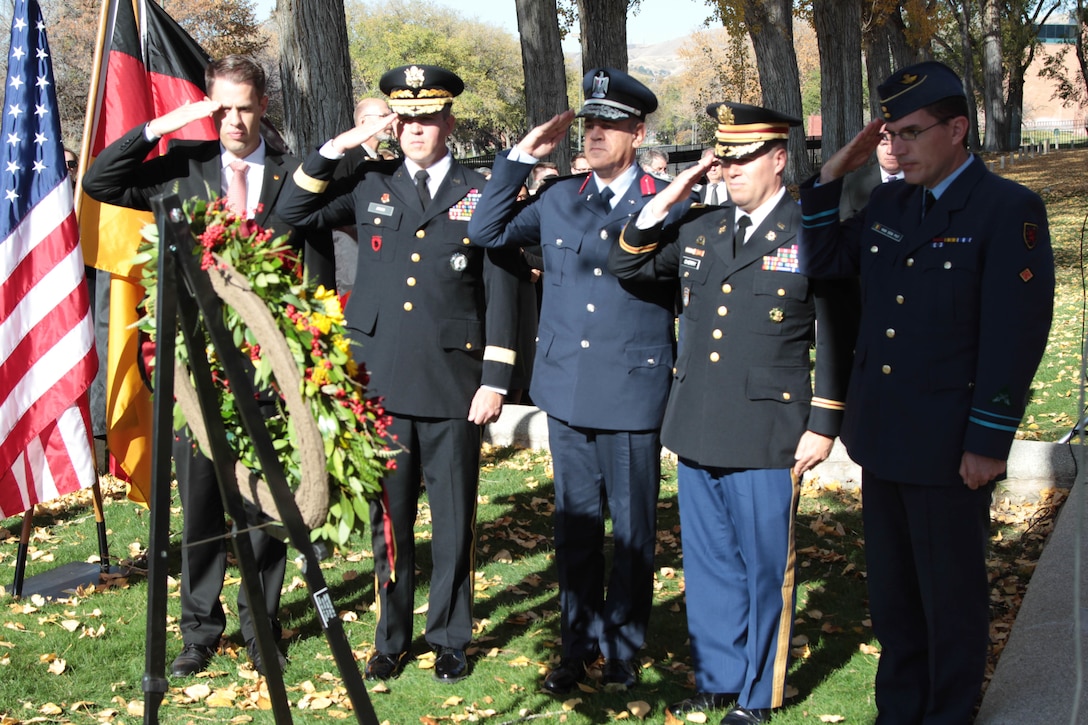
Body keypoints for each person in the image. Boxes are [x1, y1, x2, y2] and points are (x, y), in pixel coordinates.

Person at [797, 60, 1055, 724]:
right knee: (895, 601)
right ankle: (899, 711)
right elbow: (825, 263)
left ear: (957, 130)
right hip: (883, 439)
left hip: (948, 449)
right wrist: (831, 176)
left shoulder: (1006, 210)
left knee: (951, 601)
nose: (896, 147)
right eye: (889, 133)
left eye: (910, 132)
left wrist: (988, 441)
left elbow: (1015, 334)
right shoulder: (889, 202)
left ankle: (947, 713)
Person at [81, 54, 335, 677]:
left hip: (270, 367)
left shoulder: (289, 175)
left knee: (265, 502)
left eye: (245, 107)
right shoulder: (181, 169)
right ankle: (199, 629)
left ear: (264, 107)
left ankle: (261, 623)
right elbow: (101, 183)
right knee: (199, 506)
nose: (233, 121)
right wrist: (164, 124)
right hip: (196, 376)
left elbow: (317, 265)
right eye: (221, 108)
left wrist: (313, 357)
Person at [610, 102, 855, 725]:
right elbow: (629, 263)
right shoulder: (702, 228)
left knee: (767, 567)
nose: (730, 169)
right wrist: (671, 195)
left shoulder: (810, 233)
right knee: (711, 562)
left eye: (743, 158)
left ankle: (758, 692)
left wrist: (824, 421)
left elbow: (834, 333)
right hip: (697, 420)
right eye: (724, 158)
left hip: (767, 428)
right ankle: (717, 677)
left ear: (778, 160)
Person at [277, 64, 520, 684]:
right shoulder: (368, 182)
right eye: (405, 118)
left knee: (453, 517)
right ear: (392, 123)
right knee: (390, 521)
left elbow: (502, 288)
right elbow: (290, 215)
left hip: (454, 385)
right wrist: (338, 148)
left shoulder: (481, 188)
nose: (416, 128)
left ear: (450, 122)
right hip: (379, 380)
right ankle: (392, 636)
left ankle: (450, 635)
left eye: (428, 117)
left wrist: (495, 380)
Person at [467, 67, 685, 694]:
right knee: (575, 530)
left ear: (637, 132)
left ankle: (622, 648)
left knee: (634, 531)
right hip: (565, 391)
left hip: (631, 389)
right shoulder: (561, 196)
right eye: (589, 123)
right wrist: (517, 159)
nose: (593, 134)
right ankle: (576, 646)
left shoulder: (665, 200)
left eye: (608, 125)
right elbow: (487, 232)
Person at [839, 125, 902, 220]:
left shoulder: (924, 182)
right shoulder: (853, 182)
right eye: (884, 144)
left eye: (896, 144)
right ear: (875, 146)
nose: (890, 151)